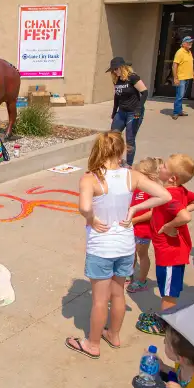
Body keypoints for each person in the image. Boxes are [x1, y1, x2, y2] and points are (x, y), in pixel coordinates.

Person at [65, 132, 171, 359]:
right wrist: (134, 210)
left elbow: (84, 207)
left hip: (101, 247)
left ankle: (92, 344)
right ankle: (114, 334)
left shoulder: (90, 178)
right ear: (122, 150)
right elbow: (164, 195)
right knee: (118, 294)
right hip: (125, 245)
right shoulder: (132, 176)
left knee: (99, 300)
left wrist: (92, 219)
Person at [136, 154, 194, 335]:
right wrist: (177, 215)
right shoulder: (180, 190)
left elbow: (185, 216)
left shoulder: (170, 196)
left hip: (170, 254)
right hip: (170, 251)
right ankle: (167, 318)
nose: (160, 168)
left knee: (168, 293)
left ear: (173, 178)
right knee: (169, 288)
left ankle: (166, 325)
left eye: (164, 166)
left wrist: (169, 225)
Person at [126, 157, 164, 294]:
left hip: (143, 230)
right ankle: (129, 274)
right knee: (131, 253)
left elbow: (151, 213)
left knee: (142, 254)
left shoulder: (153, 190)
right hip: (131, 227)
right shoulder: (138, 187)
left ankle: (142, 280)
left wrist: (134, 220)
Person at [107, 57, 148, 165]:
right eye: (113, 70)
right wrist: (114, 112)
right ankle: (115, 161)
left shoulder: (133, 77)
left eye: (116, 69)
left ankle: (129, 165)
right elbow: (117, 96)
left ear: (122, 67)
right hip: (121, 112)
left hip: (133, 113)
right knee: (113, 137)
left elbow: (145, 92)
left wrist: (139, 108)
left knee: (130, 139)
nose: (114, 72)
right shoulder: (116, 79)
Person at [172, 36, 194, 120]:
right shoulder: (180, 52)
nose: (191, 44)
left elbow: (190, 65)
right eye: (189, 42)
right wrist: (175, 78)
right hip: (181, 78)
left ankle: (179, 111)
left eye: (191, 42)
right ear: (183, 44)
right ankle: (175, 112)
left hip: (187, 77)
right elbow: (174, 65)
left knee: (181, 96)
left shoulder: (189, 52)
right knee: (179, 96)